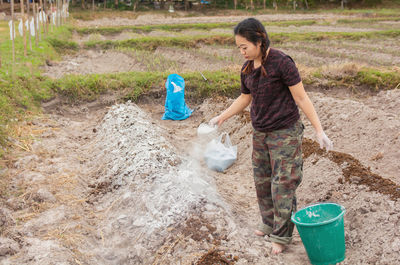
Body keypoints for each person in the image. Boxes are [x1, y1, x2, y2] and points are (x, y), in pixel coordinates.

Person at [209, 18, 333, 255]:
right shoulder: (247, 68)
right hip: (261, 133)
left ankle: (282, 235)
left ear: (260, 40)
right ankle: (268, 223)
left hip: (285, 132)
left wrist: (319, 130)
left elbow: (301, 98)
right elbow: (245, 98)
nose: (242, 52)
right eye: (239, 48)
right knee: (262, 180)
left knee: (283, 184)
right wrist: (222, 116)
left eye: (245, 47)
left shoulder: (282, 62)